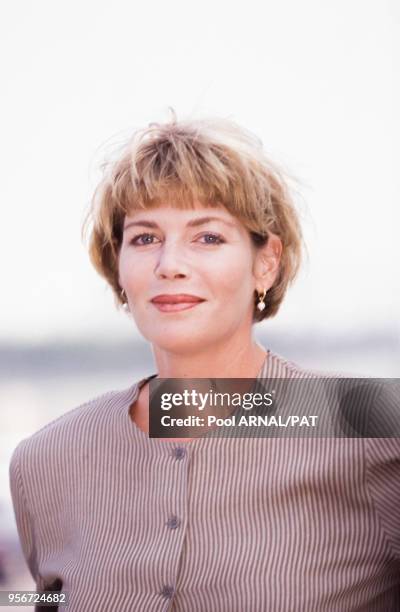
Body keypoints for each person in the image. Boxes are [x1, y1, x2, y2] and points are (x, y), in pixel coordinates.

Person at [9, 113, 400, 611]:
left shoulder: (372, 427)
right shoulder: (46, 461)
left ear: (266, 262)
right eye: (145, 238)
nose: (169, 264)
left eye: (207, 237)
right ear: (119, 266)